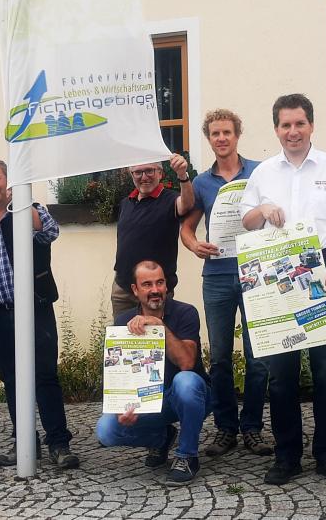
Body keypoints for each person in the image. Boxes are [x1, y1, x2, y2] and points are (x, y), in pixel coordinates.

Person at [239, 93, 326, 485]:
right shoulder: (263, 173)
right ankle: (287, 454)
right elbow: (246, 221)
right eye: (285, 125)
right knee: (281, 374)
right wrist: (261, 211)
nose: (292, 131)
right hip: (277, 276)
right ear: (276, 129)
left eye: (299, 124)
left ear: (311, 125)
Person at [0, 158, 80, 469]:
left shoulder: (28, 211)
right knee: (11, 380)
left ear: (8, 182)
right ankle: (25, 443)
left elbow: (50, 232)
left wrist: (21, 199)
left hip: (36, 309)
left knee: (45, 377)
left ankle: (58, 443)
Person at [180, 109, 272, 458]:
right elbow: (187, 227)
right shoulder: (202, 183)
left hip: (256, 271)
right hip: (216, 276)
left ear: (238, 135)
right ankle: (225, 429)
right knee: (219, 357)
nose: (221, 138)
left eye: (227, 132)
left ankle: (252, 428)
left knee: (257, 355)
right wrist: (193, 245)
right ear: (209, 138)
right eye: (215, 133)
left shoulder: (260, 173)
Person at [95, 260, 212, 486]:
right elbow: (120, 373)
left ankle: (187, 455)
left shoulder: (186, 312)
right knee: (106, 430)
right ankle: (162, 437)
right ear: (135, 290)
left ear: (166, 285)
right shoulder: (122, 321)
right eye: (147, 284)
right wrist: (124, 406)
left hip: (190, 397)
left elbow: (187, 362)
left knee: (185, 382)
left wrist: (159, 326)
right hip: (148, 402)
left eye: (159, 282)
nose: (155, 290)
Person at [112, 154, 194, 318]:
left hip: (155, 291)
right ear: (131, 175)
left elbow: (187, 204)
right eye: (138, 172)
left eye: (149, 171)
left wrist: (183, 176)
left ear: (160, 173)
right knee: (124, 340)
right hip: (123, 289)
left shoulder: (171, 200)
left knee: (157, 339)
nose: (144, 177)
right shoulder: (126, 203)